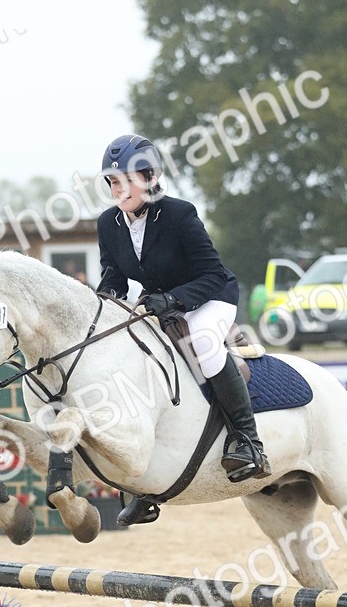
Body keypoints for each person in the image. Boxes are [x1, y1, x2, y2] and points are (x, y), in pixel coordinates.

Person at [96, 133, 270, 526]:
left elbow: (212, 273)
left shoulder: (179, 214)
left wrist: (173, 300)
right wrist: (105, 300)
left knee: (204, 346)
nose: (117, 189)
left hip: (210, 297)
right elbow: (114, 276)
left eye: (125, 180)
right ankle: (142, 484)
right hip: (161, 301)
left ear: (150, 177)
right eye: (112, 182)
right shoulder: (109, 223)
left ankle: (248, 441)